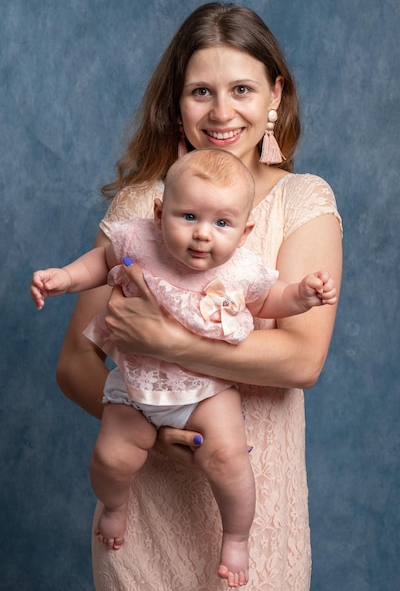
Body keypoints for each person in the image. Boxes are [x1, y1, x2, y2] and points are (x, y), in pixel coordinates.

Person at [55, 2, 342, 590]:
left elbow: (301, 359)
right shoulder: (142, 208)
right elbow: (75, 365)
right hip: (146, 519)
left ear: (274, 97)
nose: (221, 112)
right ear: (176, 104)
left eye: (241, 88)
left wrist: (167, 340)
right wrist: (157, 435)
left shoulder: (303, 202)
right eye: (200, 92)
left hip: (253, 526)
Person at [31, 148, 337, 587]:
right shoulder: (139, 239)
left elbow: (270, 299)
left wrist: (301, 296)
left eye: (222, 224)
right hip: (136, 385)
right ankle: (115, 505)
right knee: (111, 456)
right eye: (188, 216)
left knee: (230, 457)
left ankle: (235, 537)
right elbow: (101, 262)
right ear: (160, 212)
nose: (202, 236)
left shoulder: (242, 268)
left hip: (204, 390)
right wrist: (65, 278)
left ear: (245, 230)